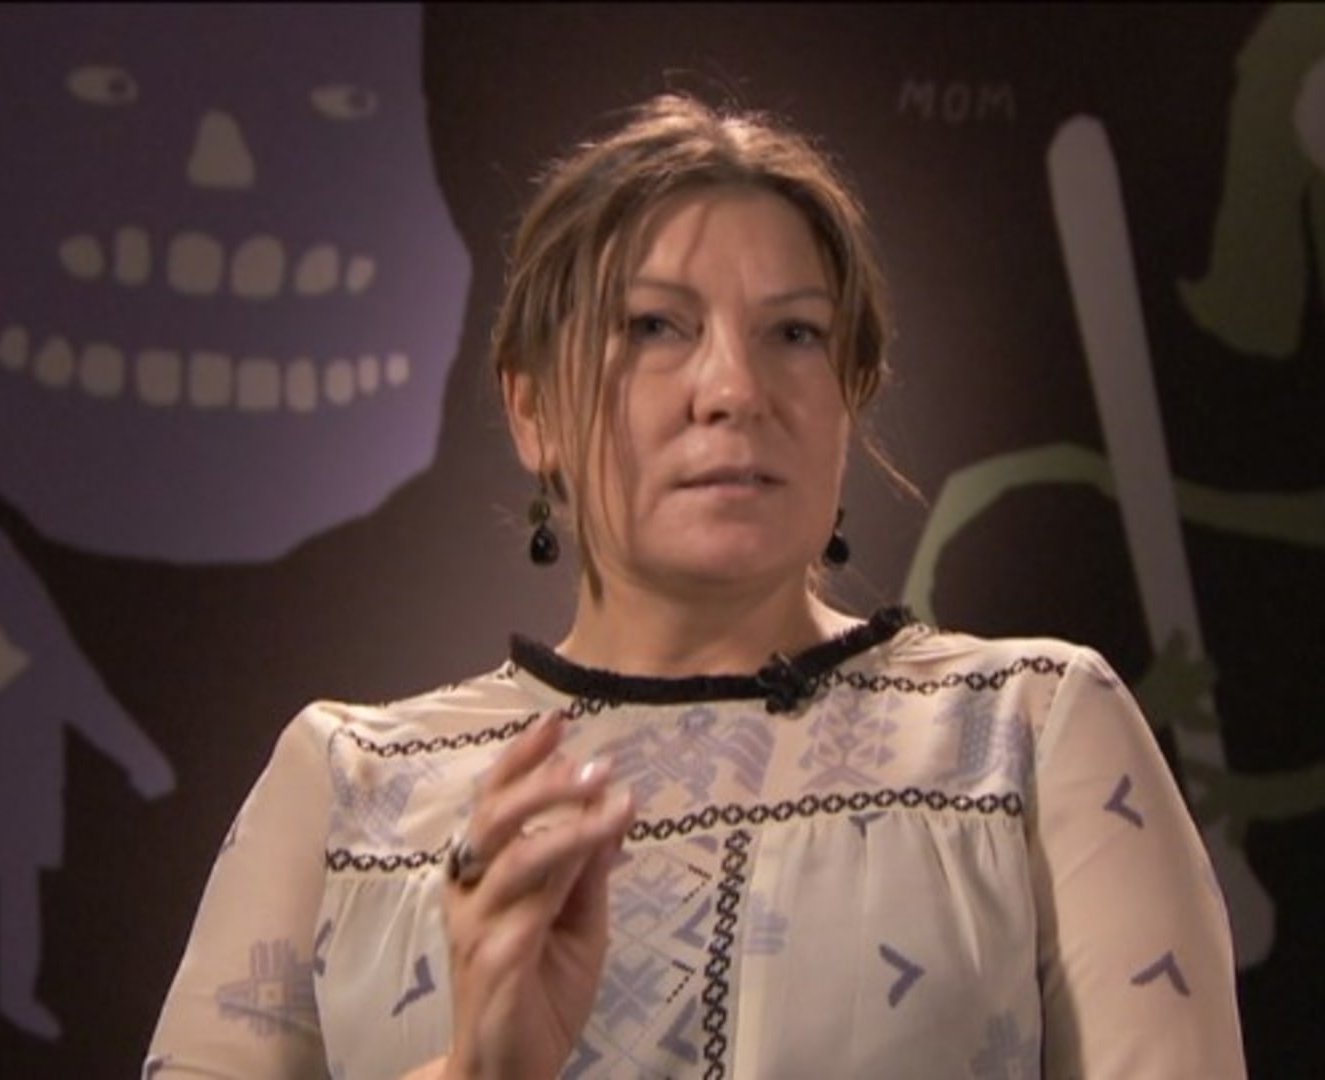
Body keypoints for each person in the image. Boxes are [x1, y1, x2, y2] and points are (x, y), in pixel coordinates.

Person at [144, 92, 1246, 1079]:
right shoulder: (345, 790)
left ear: (850, 395)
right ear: (531, 410)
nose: (733, 388)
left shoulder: (1033, 732)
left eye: (796, 334)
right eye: (654, 327)